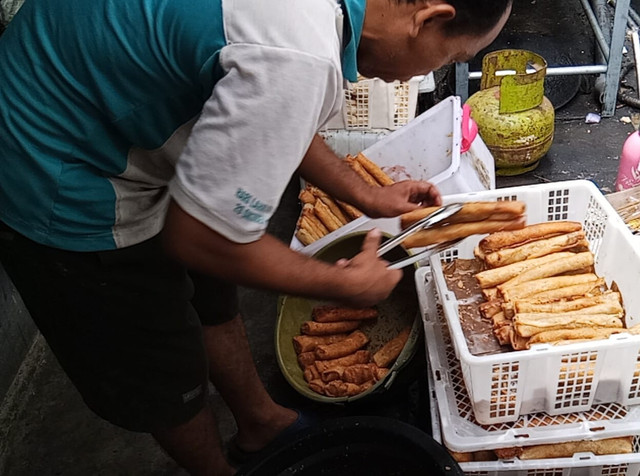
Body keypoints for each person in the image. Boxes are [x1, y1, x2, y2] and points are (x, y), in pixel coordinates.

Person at [0, 0, 511, 474]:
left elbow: (275, 112)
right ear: (427, 18)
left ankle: (261, 423)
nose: (429, 74)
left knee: (212, 293)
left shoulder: (310, 29)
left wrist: (366, 194)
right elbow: (200, 239)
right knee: (160, 365)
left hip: (103, 102)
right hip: (56, 165)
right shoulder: (298, 54)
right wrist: (343, 286)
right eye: (450, 57)